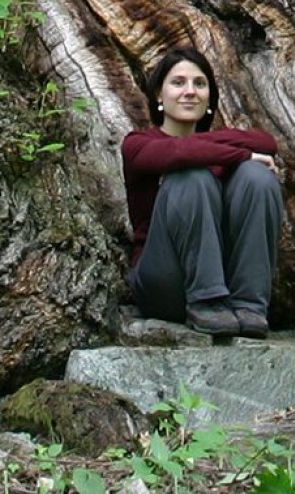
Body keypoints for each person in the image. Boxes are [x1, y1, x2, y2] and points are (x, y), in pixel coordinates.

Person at [121, 44, 285, 337]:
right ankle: (204, 302)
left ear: (210, 98)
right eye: (178, 82)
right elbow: (178, 154)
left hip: (228, 292)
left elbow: (265, 142)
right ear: (159, 94)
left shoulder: (218, 144)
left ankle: (250, 305)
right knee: (191, 176)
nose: (190, 91)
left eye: (200, 84)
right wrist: (241, 154)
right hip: (162, 282)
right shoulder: (138, 144)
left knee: (257, 177)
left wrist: (242, 158)